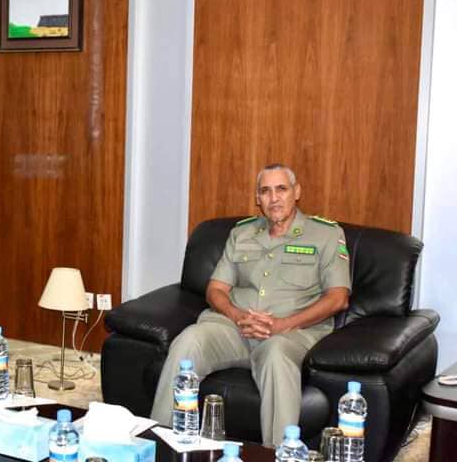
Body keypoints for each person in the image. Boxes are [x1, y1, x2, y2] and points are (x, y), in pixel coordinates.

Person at [150, 163, 351, 447]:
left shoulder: (326, 235)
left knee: (276, 356)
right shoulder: (241, 234)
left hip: (291, 333)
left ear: (296, 192)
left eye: (281, 189)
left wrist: (283, 325)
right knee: (189, 340)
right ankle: (160, 446)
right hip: (235, 328)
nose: (274, 198)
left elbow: (338, 297)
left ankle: (279, 453)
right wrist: (236, 315)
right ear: (258, 198)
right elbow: (216, 289)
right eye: (265, 191)